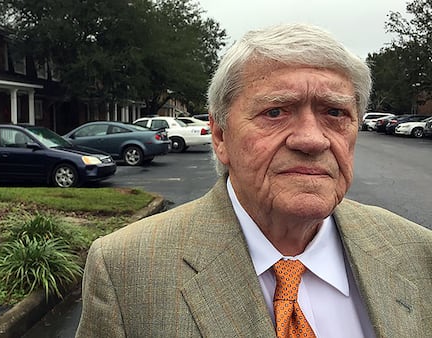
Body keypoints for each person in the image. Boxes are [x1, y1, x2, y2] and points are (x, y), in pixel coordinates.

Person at [75, 23, 432, 337]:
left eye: (335, 112)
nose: (312, 139)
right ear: (220, 136)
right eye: (275, 112)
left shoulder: (417, 252)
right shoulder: (127, 269)